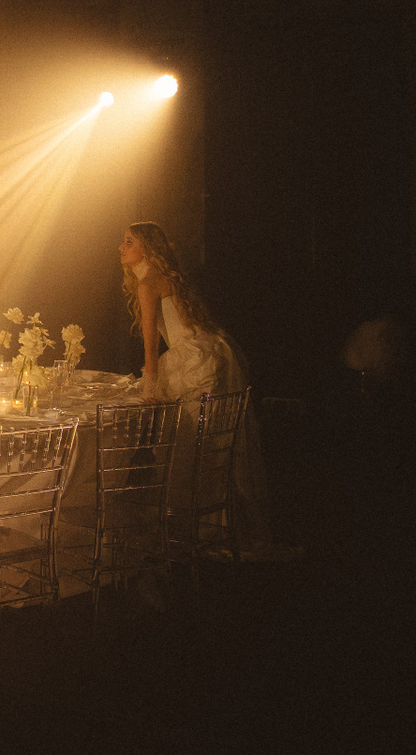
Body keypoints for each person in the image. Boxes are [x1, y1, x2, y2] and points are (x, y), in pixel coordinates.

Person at [118, 220, 292, 558]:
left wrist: (150, 384)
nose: (121, 248)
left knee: (192, 446)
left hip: (193, 362)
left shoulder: (149, 282)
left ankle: (196, 531)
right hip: (211, 353)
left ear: (146, 248)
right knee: (215, 444)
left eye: (129, 242)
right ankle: (215, 527)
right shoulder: (169, 276)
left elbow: (151, 344)